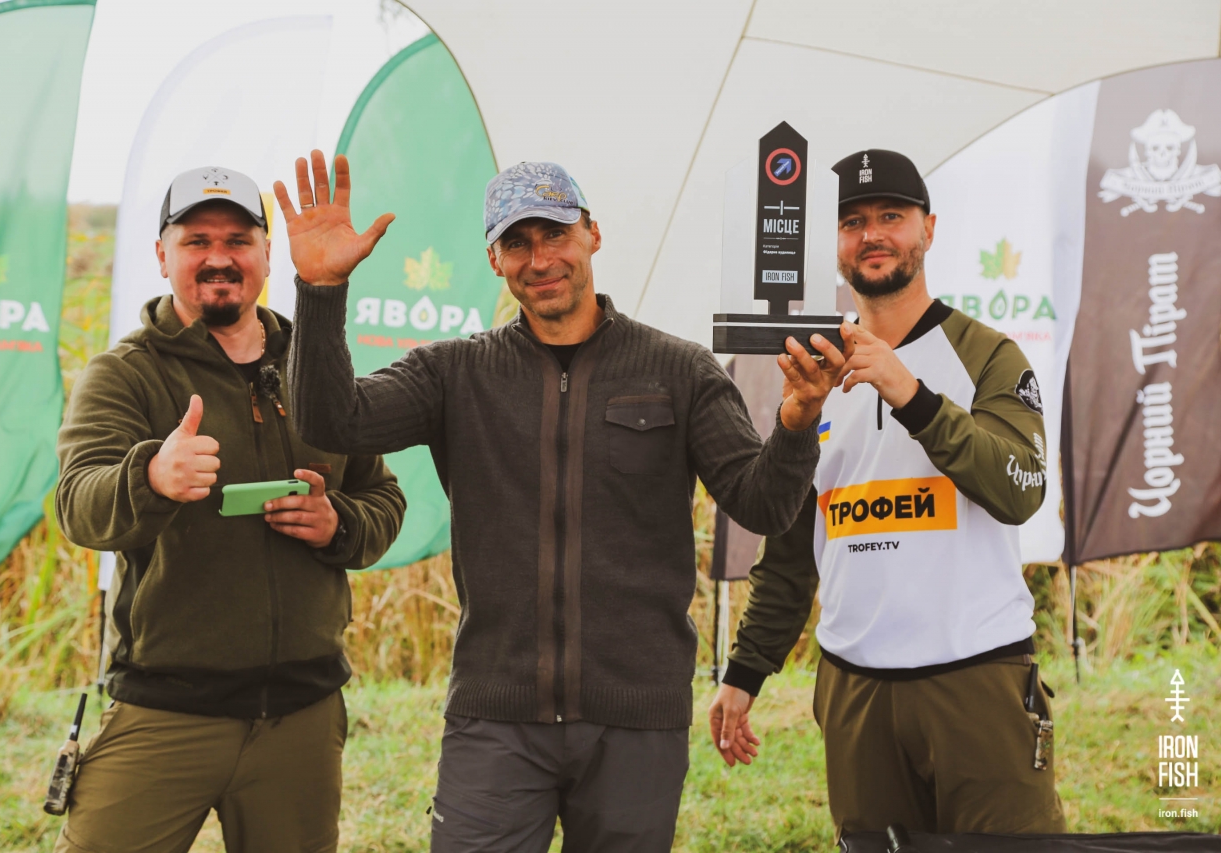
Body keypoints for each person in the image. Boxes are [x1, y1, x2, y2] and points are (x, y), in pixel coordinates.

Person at [274, 152, 842, 852]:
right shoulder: (454, 373)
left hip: (637, 722)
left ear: (592, 235)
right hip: (495, 720)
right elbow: (333, 420)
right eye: (517, 242)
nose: (540, 259)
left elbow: (763, 506)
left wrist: (796, 422)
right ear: (495, 260)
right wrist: (321, 288)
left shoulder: (680, 369)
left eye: (555, 234)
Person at [708, 149, 1066, 837]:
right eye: (852, 222)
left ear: (928, 228)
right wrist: (745, 671)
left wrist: (912, 394)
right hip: (856, 688)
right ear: (835, 243)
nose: (872, 234)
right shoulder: (815, 369)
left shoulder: (988, 355)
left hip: (977, 676)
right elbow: (792, 549)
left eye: (891, 216)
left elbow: (1019, 490)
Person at [54, 165, 406, 853]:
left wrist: (339, 524)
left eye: (238, 240)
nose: (219, 257)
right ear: (162, 255)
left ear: (267, 255)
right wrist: (151, 477)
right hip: (164, 709)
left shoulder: (318, 364)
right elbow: (77, 505)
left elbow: (382, 497)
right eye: (197, 241)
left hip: (302, 714)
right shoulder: (124, 374)